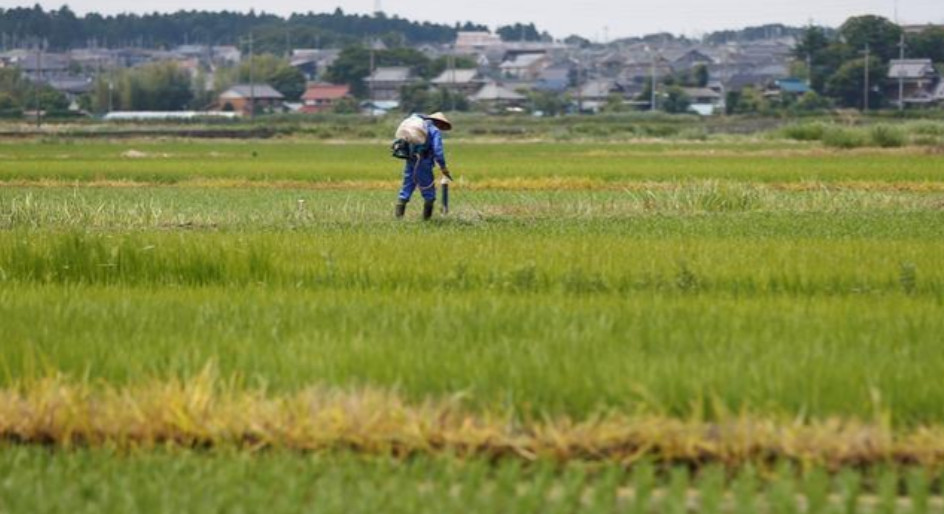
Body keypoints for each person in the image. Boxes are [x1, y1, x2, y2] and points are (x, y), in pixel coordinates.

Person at [395, 112, 453, 220]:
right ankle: (426, 221)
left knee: (407, 186)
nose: (441, 127)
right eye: (442, 125)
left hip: (411, 159)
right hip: (423, 161)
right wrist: (443, 167)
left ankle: (399, 219)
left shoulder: (418, 127)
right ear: (439, 122)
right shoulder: (434, 130)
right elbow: (438, 151)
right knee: (429, 192)